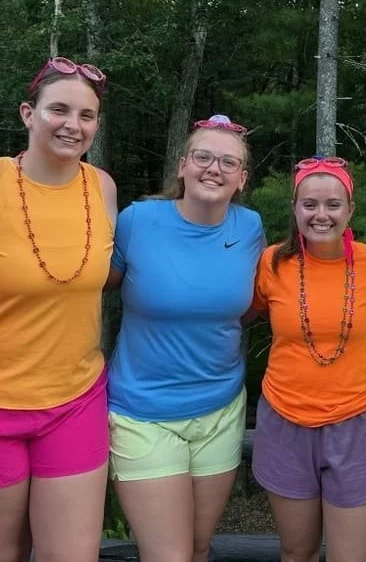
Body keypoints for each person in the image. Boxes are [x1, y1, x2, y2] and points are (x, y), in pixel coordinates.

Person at [0, 57, 117, 562]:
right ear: (28, 113)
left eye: (86, 115)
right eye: (58, 109)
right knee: (2, 554)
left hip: (74, 398)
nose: (72, 125)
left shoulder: (102, 188)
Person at [106, 114, 266, 562]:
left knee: (196, 550)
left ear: (242, 178)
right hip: (143, 413)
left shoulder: (250, 227)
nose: (214, 168)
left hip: (220, 410)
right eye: (203, 157)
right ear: (182, 165)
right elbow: (97, 286)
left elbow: (251, 304)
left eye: (228, 163)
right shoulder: (137, 220)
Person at [247, 155, 366, 562]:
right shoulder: (272, 263)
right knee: (297, 551)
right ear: (295, 208)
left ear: (351, 209)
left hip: (357, 422)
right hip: (284, 419)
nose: (321, 214)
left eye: (333, 204)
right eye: (309, 204)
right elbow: (239, 315)